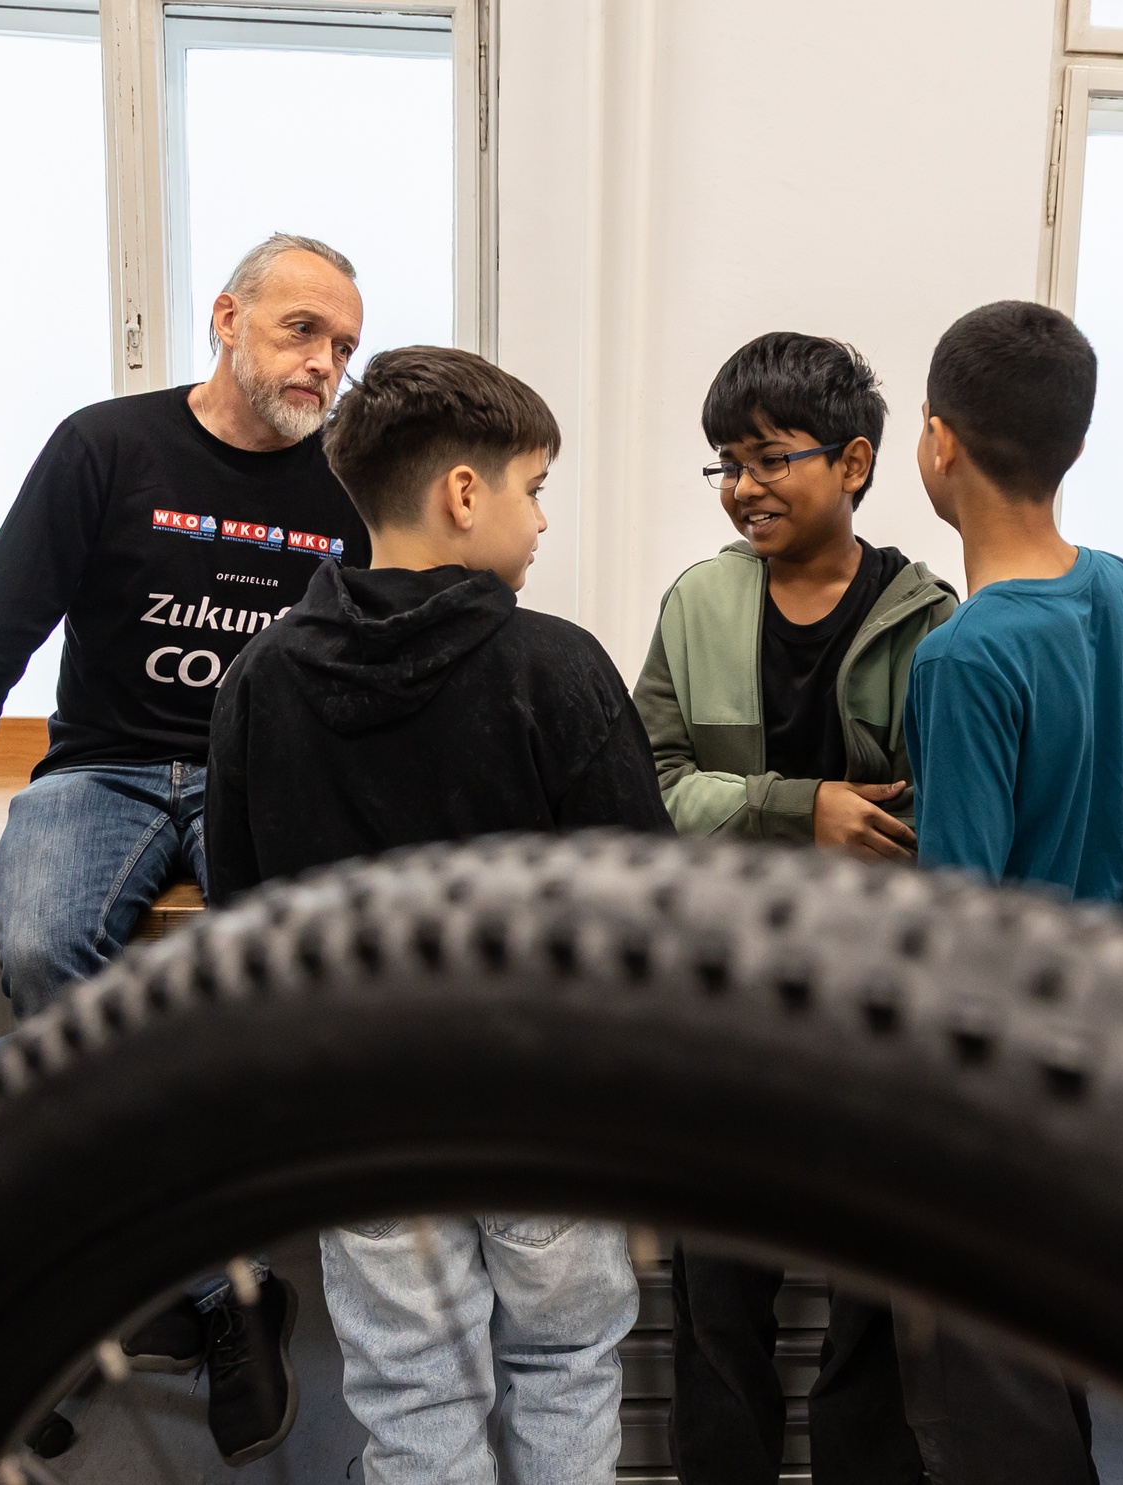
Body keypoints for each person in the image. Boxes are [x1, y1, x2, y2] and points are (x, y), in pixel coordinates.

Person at [0, 230, 370, 1464]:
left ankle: (106, 1281)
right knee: (44, 952)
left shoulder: (350, 483)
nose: (324, 366)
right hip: (104, 770)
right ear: (225, 318)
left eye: (346, 346)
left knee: (280, 990)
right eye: (303, 330)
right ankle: (223, 1287)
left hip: (265, 774)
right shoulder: (106, 447)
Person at [205, 345, 665, 1484]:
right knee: (565, 1366)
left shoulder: (262, 679)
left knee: (415, 1400)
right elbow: (648, 910)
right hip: (539, 1111)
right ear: (466, 493)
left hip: (362, 1122)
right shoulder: (553, 668)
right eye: (535, 487)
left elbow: (242, 920)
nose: (543, 522)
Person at [902, 300, 1123, 1483]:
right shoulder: (1122, 590)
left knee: (991, 1413)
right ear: (1076, 447)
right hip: (1120, 1044)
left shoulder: (964, 653)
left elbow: (961, 924)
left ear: (939, 442)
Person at [632, 331, 953, 1483]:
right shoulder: (696, 603)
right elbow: (650, 787)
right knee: (720, 1291)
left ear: (855, 462)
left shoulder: (932, 620)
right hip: (726, 993)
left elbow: (938, 818)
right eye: (725, 463)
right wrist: (792, 805)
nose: (743, 488)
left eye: (771, 459)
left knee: (873, 1295)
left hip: (877, 999)